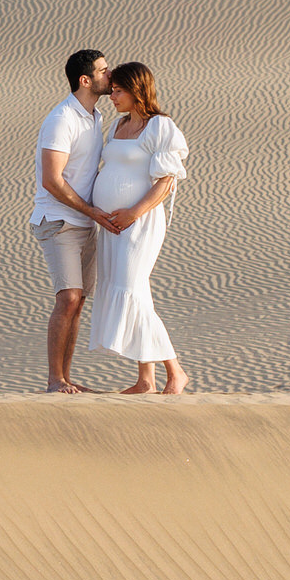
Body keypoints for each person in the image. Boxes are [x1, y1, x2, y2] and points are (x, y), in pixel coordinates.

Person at [83, 61, 194, 394]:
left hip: (140, 222)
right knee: (133, 293)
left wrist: (133, 212)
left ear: (137, 90)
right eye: (112, 90)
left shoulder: (160, 127)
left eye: (118, 91)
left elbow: (165, 182)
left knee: (132, 288)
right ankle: (146, 379)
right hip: (112, 225)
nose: (112, 96)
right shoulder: (117, 126)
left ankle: (176, 372)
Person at [32, 48, 114, 393]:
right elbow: (52, 179)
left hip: (84, 222)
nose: (110, 75)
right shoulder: (62, 119)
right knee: (68, 298)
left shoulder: (94, 116)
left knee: (78, 301)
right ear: (86, 80)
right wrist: (91, 210)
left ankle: (66, 377)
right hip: (58, 220)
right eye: (104, 70)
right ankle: (54, 380)